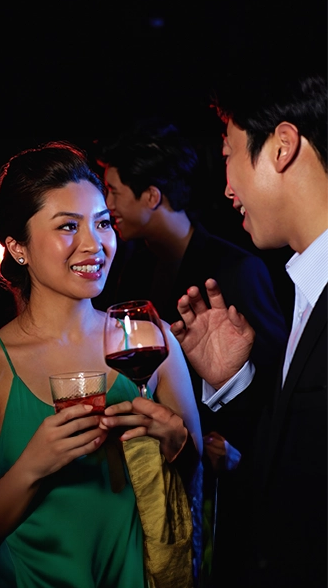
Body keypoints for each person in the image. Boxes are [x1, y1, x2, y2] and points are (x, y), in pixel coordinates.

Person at [0, 143, 201, 587]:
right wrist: (34, 464)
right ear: (17, 247)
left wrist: (177, 441)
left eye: (102, 223)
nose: (93, 244)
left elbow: (198, 470)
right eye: (67, 226)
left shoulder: (145, 339)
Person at [94, 121, 287, 575]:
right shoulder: (132, 271)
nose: (106, 206)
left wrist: (231, 444)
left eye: (113, 191)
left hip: (231, 494)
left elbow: (279, 379)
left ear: (152, 197)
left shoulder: (237, 267)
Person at [170, 74, 334, 585]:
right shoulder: (308, 279)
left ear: (282, 146)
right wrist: (234, 381)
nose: (226, 186)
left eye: (229, 154)